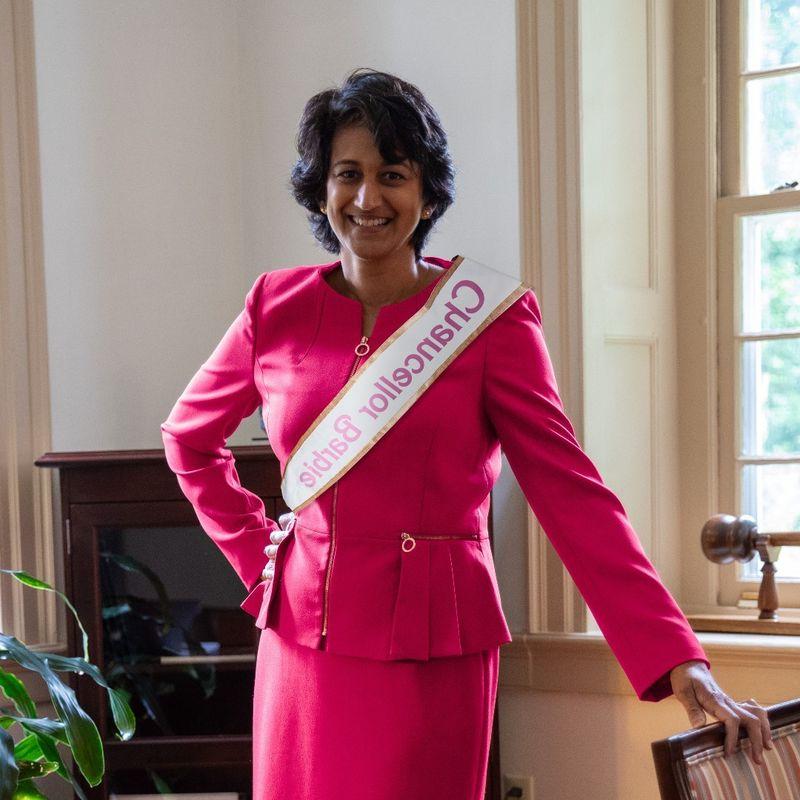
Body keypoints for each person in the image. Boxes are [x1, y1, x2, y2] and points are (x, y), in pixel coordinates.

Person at [160, 67, 772, 800]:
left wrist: (678, 658)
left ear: (426, 191)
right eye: (347, 174)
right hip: (303, 645)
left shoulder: (488, 320)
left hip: (432, 650)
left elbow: (573, 495)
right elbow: (189, 441)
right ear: (321, 189)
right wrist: (262, 560)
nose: (367, 198)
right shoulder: (275, 305)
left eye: (392, 174)